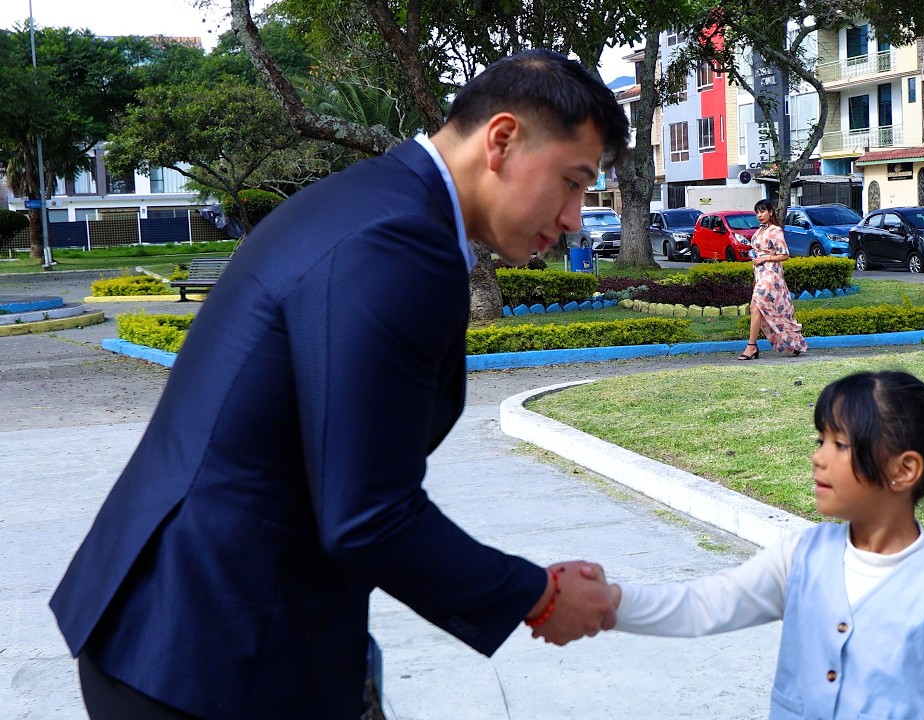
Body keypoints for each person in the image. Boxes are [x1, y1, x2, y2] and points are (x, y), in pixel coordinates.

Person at [50, 49, 630, 720]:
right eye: (573, 181)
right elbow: (368, 516)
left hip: (186, 623)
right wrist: (538, 596)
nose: (574, 219)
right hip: (211, 654)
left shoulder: (376, 199)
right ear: (501, 140)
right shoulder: (401, 242)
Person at [608, 370, 924, 720]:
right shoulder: (800, 556)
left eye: (841, 444)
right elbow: (702, 607)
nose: (819, 457)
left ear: (904, 471)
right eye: (820, 440)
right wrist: (607, 601)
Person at [738, 199, 808, 360]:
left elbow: (785, 255)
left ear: (770, 212)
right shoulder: (759, 231)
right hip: (760, 274)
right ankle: (791, 342)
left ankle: (751, 346)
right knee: (759, 309)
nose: (759, 215)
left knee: (757, 307)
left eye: (762, 211)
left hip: (771, 275)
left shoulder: (776, 230)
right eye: (757, 212)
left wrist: (765, 259)